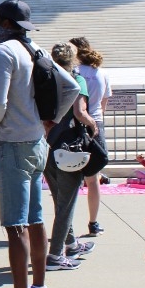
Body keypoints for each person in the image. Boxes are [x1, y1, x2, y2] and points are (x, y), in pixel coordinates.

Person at [0, 0, 70, 288]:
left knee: (15, 224)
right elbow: (71, 87)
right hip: (36, 141)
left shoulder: (3, 53)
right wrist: (50, 122)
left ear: (3, 23)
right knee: (35, 219)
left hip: (13, 143)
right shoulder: (37, 50)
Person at [42, 43, 97, 272]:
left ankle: (71, 244)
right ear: (73, 59)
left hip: (47, 145)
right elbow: (79, 111)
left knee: (60, 200)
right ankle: (55, 255)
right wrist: (93, 125)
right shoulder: (76, 79)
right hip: (69, 147)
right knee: (67, 203)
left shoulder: (45, 79)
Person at [68, 36, 111, 236]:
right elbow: (103, 103)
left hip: (75, 125)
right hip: (96, 124)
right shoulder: (101, 73)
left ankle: (67, 224)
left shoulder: (74, 73)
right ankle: (93, 222)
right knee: (93, 179)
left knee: (69, 180)